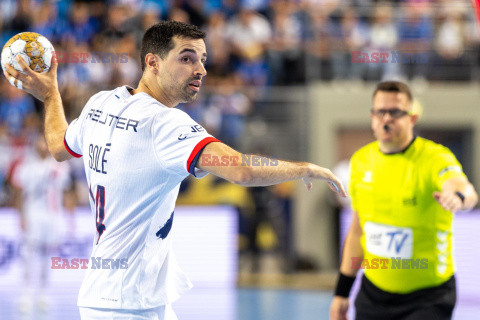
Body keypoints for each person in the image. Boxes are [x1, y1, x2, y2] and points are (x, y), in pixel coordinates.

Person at [4, 21, 346, 320]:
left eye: (203, 60)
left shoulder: (100, 103)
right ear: (152, 62)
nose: (201, 70)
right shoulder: (164, 123)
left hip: (119, 295)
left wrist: (50, 96)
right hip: (128, 303)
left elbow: (58, 147)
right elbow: (240, 169)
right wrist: (305, 168)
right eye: (187, 58)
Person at [329, 81, 478, 320]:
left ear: (412, 118)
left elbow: (464, 188)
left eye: (395, 112)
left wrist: (458, 197)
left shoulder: (435, 157)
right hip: (374, 294)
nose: (386, 118)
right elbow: (357, 231)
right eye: (380, 112)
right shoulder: (360, 162)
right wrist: (341, 292)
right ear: (372, 116)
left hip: (428, 298)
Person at [11, 134, 73, 313]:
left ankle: (44, 293)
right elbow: (17, 192)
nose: (43, 145)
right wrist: (21, 215)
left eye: (46, 142)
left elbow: (67, 190)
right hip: (33, 215)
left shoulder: (61, 165)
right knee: (29, 256)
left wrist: (70, 214)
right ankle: (25, 294)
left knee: (47, 256)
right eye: (40, 142)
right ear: (35, 144)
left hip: (52, 216)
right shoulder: (26, 166)